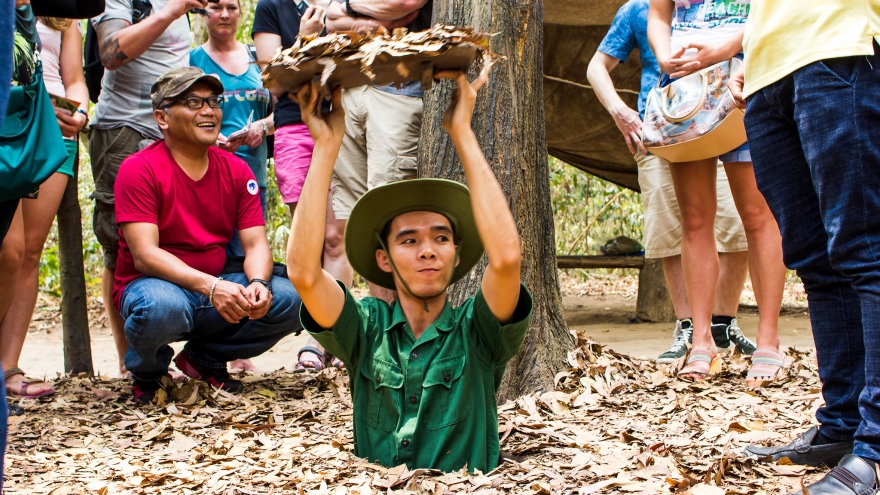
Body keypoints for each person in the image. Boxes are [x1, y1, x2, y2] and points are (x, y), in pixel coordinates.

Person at [287, 66, 532, 472]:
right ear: (384, 259)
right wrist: (327, 146)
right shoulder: (366, 330)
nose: (427, 251)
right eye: (409, 240)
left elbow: (506, 259)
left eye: (441, 238)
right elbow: (304, 275)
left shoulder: (476, 333)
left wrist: (462, 133)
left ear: (455, 254)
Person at [729, 1, 880, 491]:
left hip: (841, 48)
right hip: (767, 75)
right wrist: (747, 58)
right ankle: (841, 425)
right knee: (815, 260)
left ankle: (875, 449)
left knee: (866, 251)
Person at [114, 67, 302, 403]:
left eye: (214, 102)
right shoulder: (138, 169)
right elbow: (144, 254)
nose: (208, 111)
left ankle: (204, 358)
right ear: (162, 117)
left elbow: (256, 242)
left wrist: (258, 283)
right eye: (193, 102)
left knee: (289, 297)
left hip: (217, 283)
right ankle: (147, 371)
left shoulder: (235, 169)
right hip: (157, 286)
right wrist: (211, 286)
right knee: (159, 308)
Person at [586, 0, 752, 365]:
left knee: (737, 226)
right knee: (671, 230)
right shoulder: (637, 10)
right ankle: (689, 326)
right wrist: (620, 111)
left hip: (724, 120)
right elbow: (596, 67)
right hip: (664, 127)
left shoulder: (724, 8)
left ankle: (723, 321)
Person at [285, 0, 433, 372]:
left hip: (400, 88)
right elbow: (330, 18)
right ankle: (383, 335)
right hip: (349, 88)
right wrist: (360, 16)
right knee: (362, 223)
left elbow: (406, 6)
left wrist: (349, 7)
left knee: (397, 220)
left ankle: (412, 338)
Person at [646, 0, 785, 385]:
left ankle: (768, 342)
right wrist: (663, 54)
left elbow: (774, 9)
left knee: (758, 215)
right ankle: (702, 341)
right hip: (686, 90)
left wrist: (727, 48)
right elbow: (659, 15)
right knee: (694, 217)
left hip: (745, 75)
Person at [90, 0, 202, 376]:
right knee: (118, 246)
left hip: (171, 133)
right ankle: (129, 360)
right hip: (125, 129)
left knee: (163, 238)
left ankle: (161, 351)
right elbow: (110, 52)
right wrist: (173, 10)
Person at [252, 0, 352, 372]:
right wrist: (304, 39)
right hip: (295, 126)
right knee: (309, 239)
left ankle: (331, 336)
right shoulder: (271, 7)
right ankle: (319, 327)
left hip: (346, 118)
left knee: (336, 238)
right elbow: (275, 83)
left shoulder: (348, 4)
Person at [0, 15, 89, 399]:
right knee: (8, 248)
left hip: (53, 135)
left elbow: (75, 79)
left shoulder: (62, 15)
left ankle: (7, 367)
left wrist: (80, 112)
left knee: (28, 252)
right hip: (11, 124)